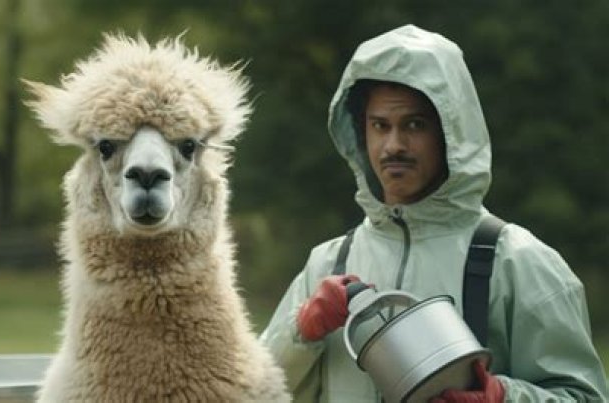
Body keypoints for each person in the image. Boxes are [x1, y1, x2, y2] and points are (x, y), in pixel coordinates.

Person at [261, 25, 609, 402]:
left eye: (415, 125)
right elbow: (251, 392)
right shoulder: (326, 265)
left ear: (451, 133)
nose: (394, 145)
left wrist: (502, 397)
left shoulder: (520, 263)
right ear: (361, 135)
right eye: (380, 126)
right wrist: (301, 332)